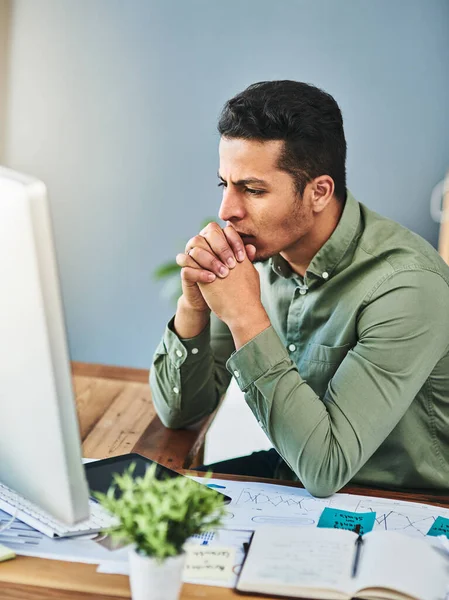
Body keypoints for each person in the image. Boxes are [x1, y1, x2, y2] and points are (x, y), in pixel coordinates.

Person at [150, 80, 449, 497]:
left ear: (319, 192)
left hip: (397, 504)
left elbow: (327, 469)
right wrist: (193, 307)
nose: (226, 211)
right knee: (139, 509)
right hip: (291, 475)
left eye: (253, 190)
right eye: (225, 185)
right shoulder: (259, 253)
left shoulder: (407, 286)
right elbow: (179, 414)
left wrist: (244, 316)